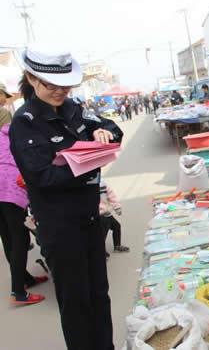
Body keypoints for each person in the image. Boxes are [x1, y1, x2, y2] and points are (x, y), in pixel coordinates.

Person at [9, 47, 122, 350]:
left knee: (99, 293)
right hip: (59, 226)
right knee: (75, 301)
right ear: (32, 79)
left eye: (65, 85)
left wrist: (103, 136)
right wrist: (84, 166)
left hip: (89, 217)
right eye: (51, 85)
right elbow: (40, 177)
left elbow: (113, 129)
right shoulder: (25, 122)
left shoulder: (74, 107)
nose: (60, 92)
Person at [0, 123, 48, 305]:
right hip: (10, 187)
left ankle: (24, 279)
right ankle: (18, 292)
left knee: (7, 237)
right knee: (20, 238)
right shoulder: (20, 131)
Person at [99, 181, 129, 257]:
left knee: (117, 226)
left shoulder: (103, 184)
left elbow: (111, 196)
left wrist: (117, 207)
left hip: (107, 212)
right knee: (102, 234)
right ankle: (100, 251)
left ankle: (117, 245)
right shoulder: (87, 186)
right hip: (99, 215)